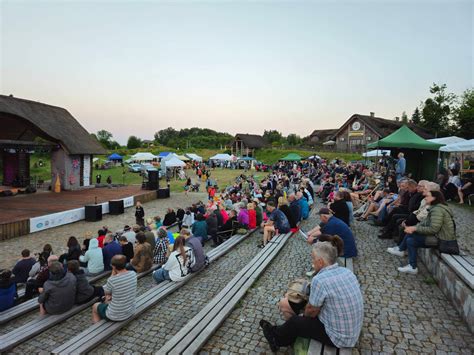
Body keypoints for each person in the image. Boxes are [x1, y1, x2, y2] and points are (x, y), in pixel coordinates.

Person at [259, 242, 363, 352]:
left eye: (313, 259)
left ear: (320, 262)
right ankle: (285, 333)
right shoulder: (347, 272)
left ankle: (275, 338)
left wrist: (302, 316)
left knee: (295, 322)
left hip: (338, 337)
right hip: (352, 332)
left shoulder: (320, 280)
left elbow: (311, 311)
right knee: (298, 312)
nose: (312, 262)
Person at [387, 190, 457, 274]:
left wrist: (415, 229)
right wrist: (413, 227)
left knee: (411, 239)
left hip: (443, 240)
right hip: (438, 236)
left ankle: (409, 261)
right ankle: (408, 260)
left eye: (427, 196)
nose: (425, 198)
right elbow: (425, 223)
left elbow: (434, 229)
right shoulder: (435, 207)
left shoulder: (437, 210)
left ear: (434, 198)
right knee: (410, 236)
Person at [92, 255, 137, 322]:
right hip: (130, 310)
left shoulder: (112, 280)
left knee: (95, 306)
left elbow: (105, 292)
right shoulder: (133, 274)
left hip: (116, 315)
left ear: (113, 266)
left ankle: (96, 328)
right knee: (108, 297)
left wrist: (112, 275)